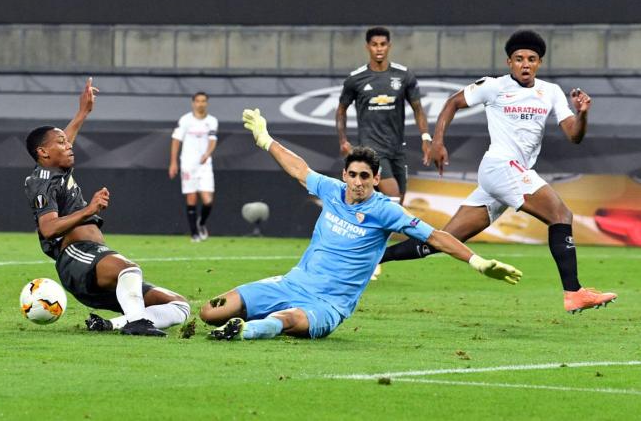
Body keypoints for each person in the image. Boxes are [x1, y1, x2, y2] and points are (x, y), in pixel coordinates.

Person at [199, 109, 522, 341]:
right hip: (291, 284)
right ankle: (245, 321)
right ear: (344, 175)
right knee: (209, 311)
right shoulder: (332, 190)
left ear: (376, 179)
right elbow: (299, 169)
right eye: (352, 175)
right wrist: (266, 139)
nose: (357, 182)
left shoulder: (385, 211)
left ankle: (248, 330)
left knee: (289, 319)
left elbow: (435, 237)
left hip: (329, 303)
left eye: (364, 176)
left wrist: (478, 262)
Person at [380, 30, 617, 314]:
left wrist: (583, 114)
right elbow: (453, 102)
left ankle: (373, 256)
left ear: (539, 63)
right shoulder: (493, 86)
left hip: (512, 174)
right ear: (509, 62)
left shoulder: (550, 92)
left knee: (443, 240)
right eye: (519, 59)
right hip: (500, 166)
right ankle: (574, 292)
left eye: (531, 59)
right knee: (561, 215)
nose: (525, 64)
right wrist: (438, 140)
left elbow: (574, 136)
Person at [24, 78, 191, 336]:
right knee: (128, 267)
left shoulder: (58, 168)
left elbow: (64, 138)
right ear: (43, 153)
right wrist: (88, 210)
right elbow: (48, 228)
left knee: (179, 305)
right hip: (76, 258)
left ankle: (111, 324)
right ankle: (137, 324)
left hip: (96, 257)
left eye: (67, 142)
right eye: (61, 143)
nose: (69, 145)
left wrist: (83, 112)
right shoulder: (41, 182)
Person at [336, 26, 431, 206]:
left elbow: (418, 109)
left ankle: (365, 225)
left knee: (398, 201)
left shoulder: (403, 75)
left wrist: (426, 138)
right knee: (393, 197)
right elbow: (341, 110)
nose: (379, 48)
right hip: (372, 149)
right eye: (374, 44)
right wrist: (343, 140)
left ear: (389, 46)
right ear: (367, 47)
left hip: (397, 149)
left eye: (383, 44)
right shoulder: (356, 79)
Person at [169, 92, 218, 242]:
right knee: (191, 198)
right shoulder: (185, 120)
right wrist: (173, 162)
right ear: (193, 103)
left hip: (204, 165)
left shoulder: (212, 121)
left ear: (207, 103)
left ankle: (201, 223)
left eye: (203, 101)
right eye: (198, 101)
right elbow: (176, 140)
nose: (201, 104)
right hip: (188, 164)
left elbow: (212, 140)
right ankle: (194, 234)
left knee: (208, 200)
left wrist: (207, 154)